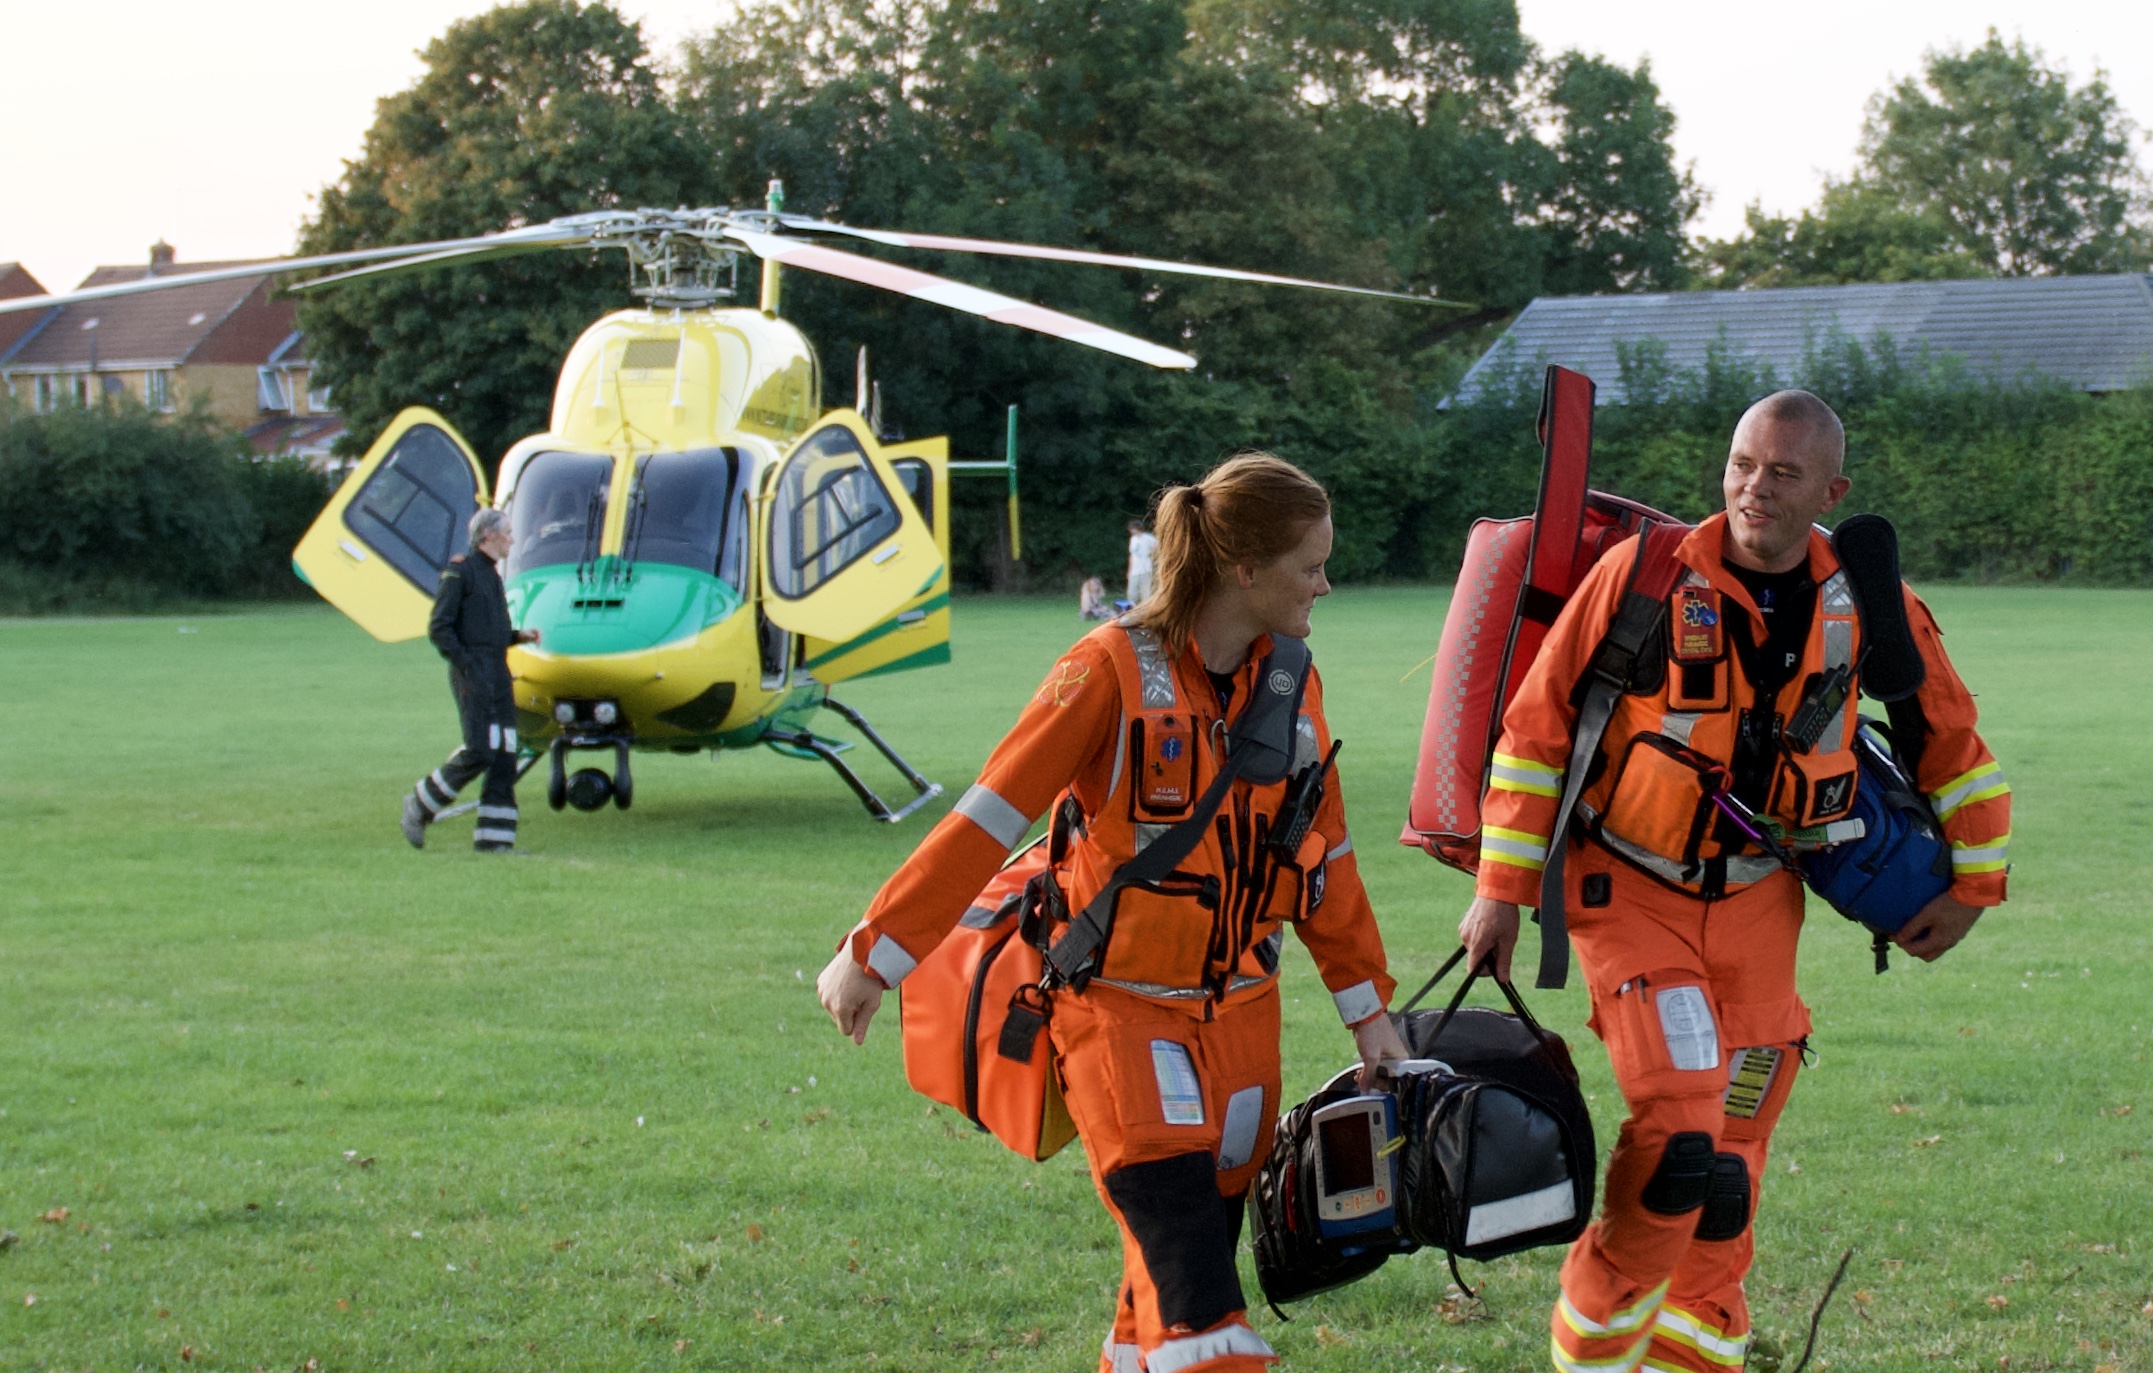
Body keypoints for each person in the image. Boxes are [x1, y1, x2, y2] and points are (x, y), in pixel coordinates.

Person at [1457, 391, 2011, 1373]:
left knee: (1728, 1155)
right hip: (1625, 887)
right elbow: (1535, 730)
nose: (1753, 488)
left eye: (1782, 472)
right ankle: (1593, 1339)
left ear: (1830, 489)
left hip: (1760, 894)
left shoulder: (1870, 601)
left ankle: (1699, 1339)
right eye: (1740, 464)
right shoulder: (1643, 577)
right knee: (1676, 1120)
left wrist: (1971, 886)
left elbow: (1949, 742)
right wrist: (1498, 889)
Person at [819, 454, 1409, 1373]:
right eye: (1309, 565)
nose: (1325, 584)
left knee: (1162, 1293)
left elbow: (1322, 856)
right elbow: (988, 816)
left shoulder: (1292, 682)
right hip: (1119, 1019)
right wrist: (875, 951)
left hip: (1245, 1023)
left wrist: (1369, 1015)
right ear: (1243, 569)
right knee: (1203, 1311)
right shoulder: (1102, 669)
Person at [400, 508, 541, 853]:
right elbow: (440, 628)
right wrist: (466, 663)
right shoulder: (460, 573)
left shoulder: (492, 575)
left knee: (506, 751)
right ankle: (419, 805)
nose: (511, 538)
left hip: (498, 670)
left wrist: (517, 636)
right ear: (488, 535)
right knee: (480, 748)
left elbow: (485, 630)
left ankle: (495, 841)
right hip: (473, 673)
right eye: (507, 532)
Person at [1126, 517, 1159, 606]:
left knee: (1146, 593)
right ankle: (1133, 610)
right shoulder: (1133, 539)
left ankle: (1147, 610)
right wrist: (1129, 571)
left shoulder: (1148, 538)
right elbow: (1132, 556)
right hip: (1134, 571)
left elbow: (1157, 550)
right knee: (1132, 593)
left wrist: (1153, 561)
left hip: (1146, 569)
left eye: (1133, 528)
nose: (1132, 531)